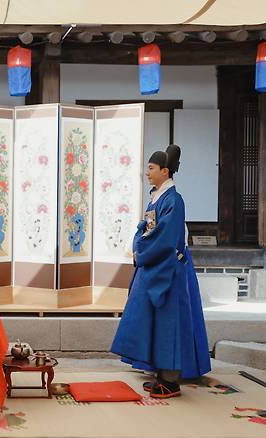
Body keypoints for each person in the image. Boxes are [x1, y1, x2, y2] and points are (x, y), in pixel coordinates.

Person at [111, 144, 211, 399]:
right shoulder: (158, 196)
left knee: (170, 323)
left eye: (151, 168)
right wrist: (137, 246)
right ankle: (159, 373)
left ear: (165, 171)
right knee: (149, 318)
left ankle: (171, 380)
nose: (147, 172)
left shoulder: (174, 200)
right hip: (154, 263)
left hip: (168, 268)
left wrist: (141, 253)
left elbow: (166, 238)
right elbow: (147, 229)